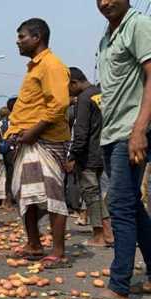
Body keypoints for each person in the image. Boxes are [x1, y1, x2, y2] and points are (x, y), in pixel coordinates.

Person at [81, 0, 151, 299]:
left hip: (130, 131)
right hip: (112, 133)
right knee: (132, 206)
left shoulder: (138, 25)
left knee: (120, 206)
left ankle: (119, 286)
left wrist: (139, 130)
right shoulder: (107, 36)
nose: (105, 2)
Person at [4, 18, 71, 268]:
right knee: (28, 194)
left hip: (46, 140)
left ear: (37, 37)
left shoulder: (51, 65)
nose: (18, 41)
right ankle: (33, 244)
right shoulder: (34, 68)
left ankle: (58, 250)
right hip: (29, 140)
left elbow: (59, 105)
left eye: (21, 36)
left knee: (52, 194)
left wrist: (34, 130)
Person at [66, 66, 114, 247]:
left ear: (74, 83)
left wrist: (72, 156)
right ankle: (108, 233)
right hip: (103, 151)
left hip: (88, 155)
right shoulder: (100, 94)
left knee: (91, 195)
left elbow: (81, 131)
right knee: (98, 195)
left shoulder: (84, 99)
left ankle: (99, 236)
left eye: (67, 88)